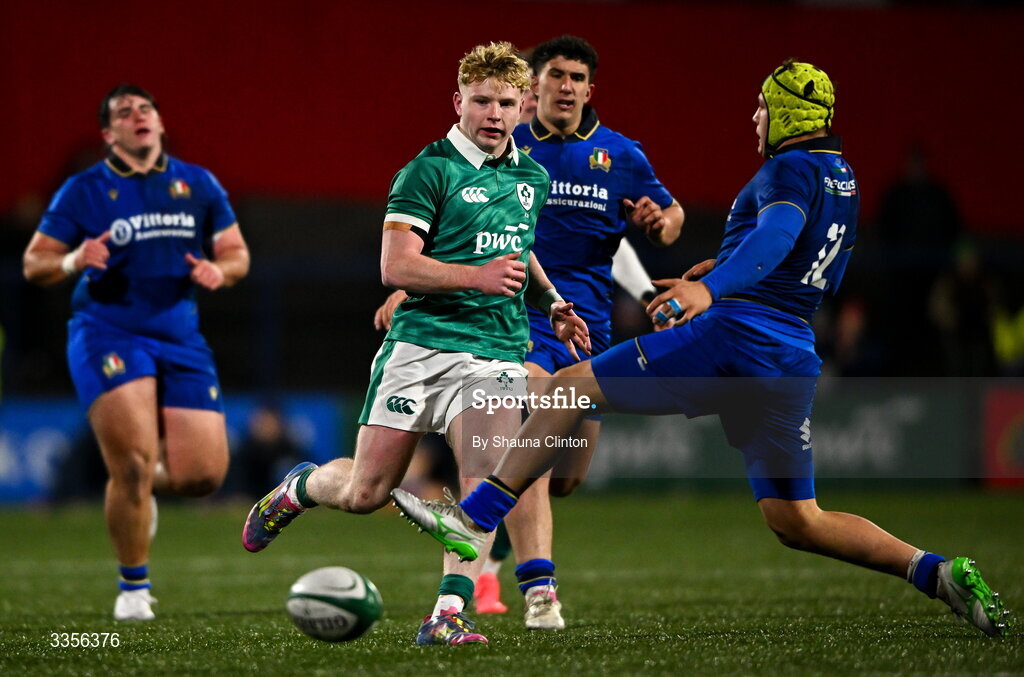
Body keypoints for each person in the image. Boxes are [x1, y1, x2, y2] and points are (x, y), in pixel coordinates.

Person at [392, 60, 1012, 638]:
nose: (754, 119)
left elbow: (777, 234)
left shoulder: (788, 169)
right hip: (790, 353)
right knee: (797, 520)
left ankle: (472, 519)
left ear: (786, 116)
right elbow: (803, 258)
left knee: (567, 388)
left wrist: (711, 288)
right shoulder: (840, 175)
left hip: (735, 337)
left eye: (762, 109)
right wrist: (732, 264)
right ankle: (937, 572)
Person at [242, 42, 590, 646]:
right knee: (364, 493)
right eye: (481, 101)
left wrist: (553, 303)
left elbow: (519, 249)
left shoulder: (531, 175)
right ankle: (300, 486)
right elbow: (396, 266)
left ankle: (447, 615)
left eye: (506, 103)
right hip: (421, 347)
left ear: (523, 104)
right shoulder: (426, 170)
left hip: (496, 350)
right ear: (458, 102)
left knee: (484, 486)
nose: (494, 114)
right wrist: (474, 276)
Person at [374, 35, 683, 629]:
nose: (565, 86)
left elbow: (668, 220)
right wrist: (412, 282)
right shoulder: (495, 148)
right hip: (518, 322)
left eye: (577, 78)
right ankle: (538, 589)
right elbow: (458, 234)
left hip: (583, 324)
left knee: (564, 473)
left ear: (591, 89)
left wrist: (661, 224)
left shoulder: (619, 156)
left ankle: (494, 538)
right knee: (531, 444)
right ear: (533, 86)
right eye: (555, 75)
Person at [23, 84, 250, 621]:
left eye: (145, 108)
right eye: (123, 113)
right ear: (110, 134)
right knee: (129, 461)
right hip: (107, 333)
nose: (137, 115)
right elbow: (35, 264)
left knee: (203, 477)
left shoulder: (197, 183)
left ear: (160, 123)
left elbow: (237, 253)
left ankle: (140, 487)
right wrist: (76, 257)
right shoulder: (85, 190)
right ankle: (133, 588)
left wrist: (222, 271)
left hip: (180, 336)